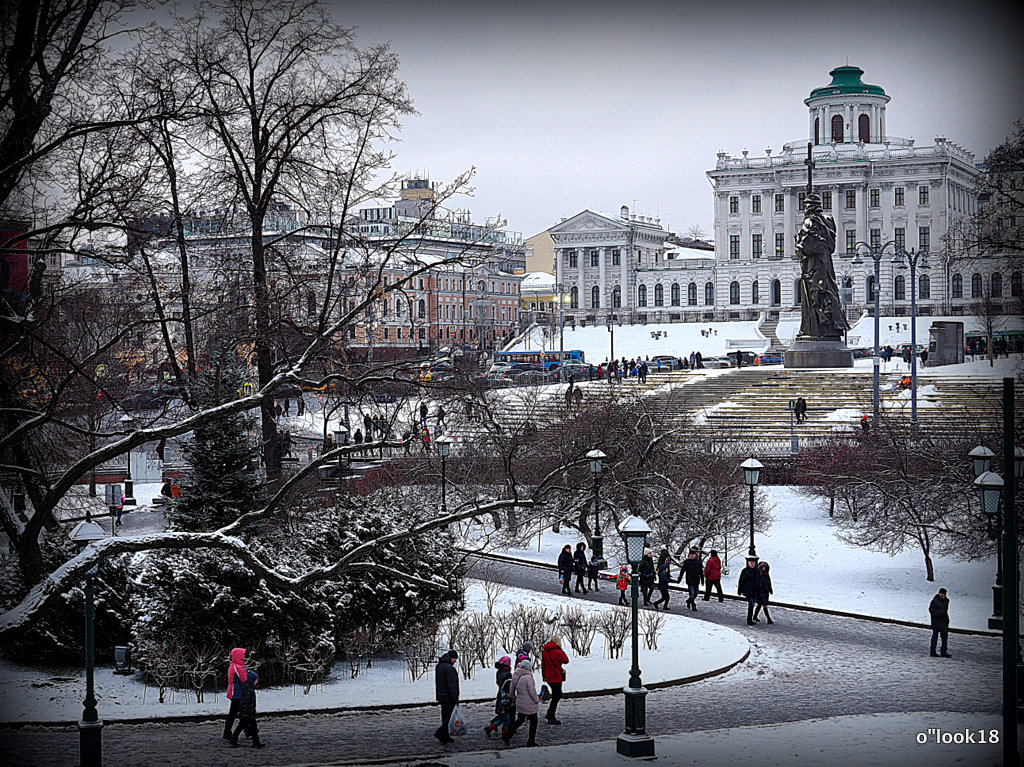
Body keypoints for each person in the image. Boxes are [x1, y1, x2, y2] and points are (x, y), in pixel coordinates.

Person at [502, 658, 540, 747]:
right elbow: (532, 691)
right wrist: (536, 700)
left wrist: (512, 697)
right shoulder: (528, 677)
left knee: (519, 720)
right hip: (529, 704)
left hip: (520, 702)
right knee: (534, 721)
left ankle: (507, 736)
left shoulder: (516, 674)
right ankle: (531, 741)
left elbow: (512, 688)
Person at [228, 668, 263, 748]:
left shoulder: (248, 688)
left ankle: (255, 742)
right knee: (244, 726)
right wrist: (245, 711)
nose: (257, 681)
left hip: (248, 712)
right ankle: (234, 740)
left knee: (249, 726)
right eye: (256, 680)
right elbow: (245, 702)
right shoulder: (249, 689)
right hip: (247, 712)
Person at [433, 649, 460, 744]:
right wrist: (455, 699)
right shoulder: (449, 669)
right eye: (455, 659)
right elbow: (452, 686)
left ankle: (445, 736)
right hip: (448, 697)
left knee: (445, 716)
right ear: (451, 658)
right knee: (448, 717)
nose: (455, 661)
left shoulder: (439, 666)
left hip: (441, 695)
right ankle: (441, 732)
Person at [223, 647, 249, 741]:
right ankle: (228, 733)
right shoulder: (237, 667)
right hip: (237, 693)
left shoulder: (234, 666)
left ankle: (247, 730)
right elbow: (244, 679)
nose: (244, 657)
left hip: (235, 692)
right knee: (237, 713)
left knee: (238, 712)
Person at [542, 635, 569, 725]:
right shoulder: (557, 651)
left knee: (556, 694)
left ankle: (550, 714)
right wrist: (561, 651)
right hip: (556, 676)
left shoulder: (545, 651)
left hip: (548, 676)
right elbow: (566, 660)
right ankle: (551, 715)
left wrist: (544, 676)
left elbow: (543, 664)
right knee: (557, 695)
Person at [484, 655, 513, 738]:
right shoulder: (507, 674)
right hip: (505, 698)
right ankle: (505, 734)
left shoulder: (499, 672)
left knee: (501, 718)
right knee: (506, 719)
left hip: (500, 695)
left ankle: (490, 728)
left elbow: (499, 683)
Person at [929, 588, 952, 657]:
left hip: (944, 622)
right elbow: (931, 610)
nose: (942, 595)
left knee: (944, 638)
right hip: (936, 622)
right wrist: (940, 613)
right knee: (935, 637)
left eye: (943, 594)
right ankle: (932, 651)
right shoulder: (935, 601)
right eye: (941, 593)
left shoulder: (946, 601)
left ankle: (943, 651)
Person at [737, 556, 760, 625]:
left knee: (752, 604)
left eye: (753, 563)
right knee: (751, 604)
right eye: (751, 563)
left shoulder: (757, 571)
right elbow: (741, 581)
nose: (752, 564)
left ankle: (751, 618)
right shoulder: (745, 571)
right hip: (748, 591)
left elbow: (759, 581)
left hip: (755, 591)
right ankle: (749, 619)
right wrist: (740, 590)